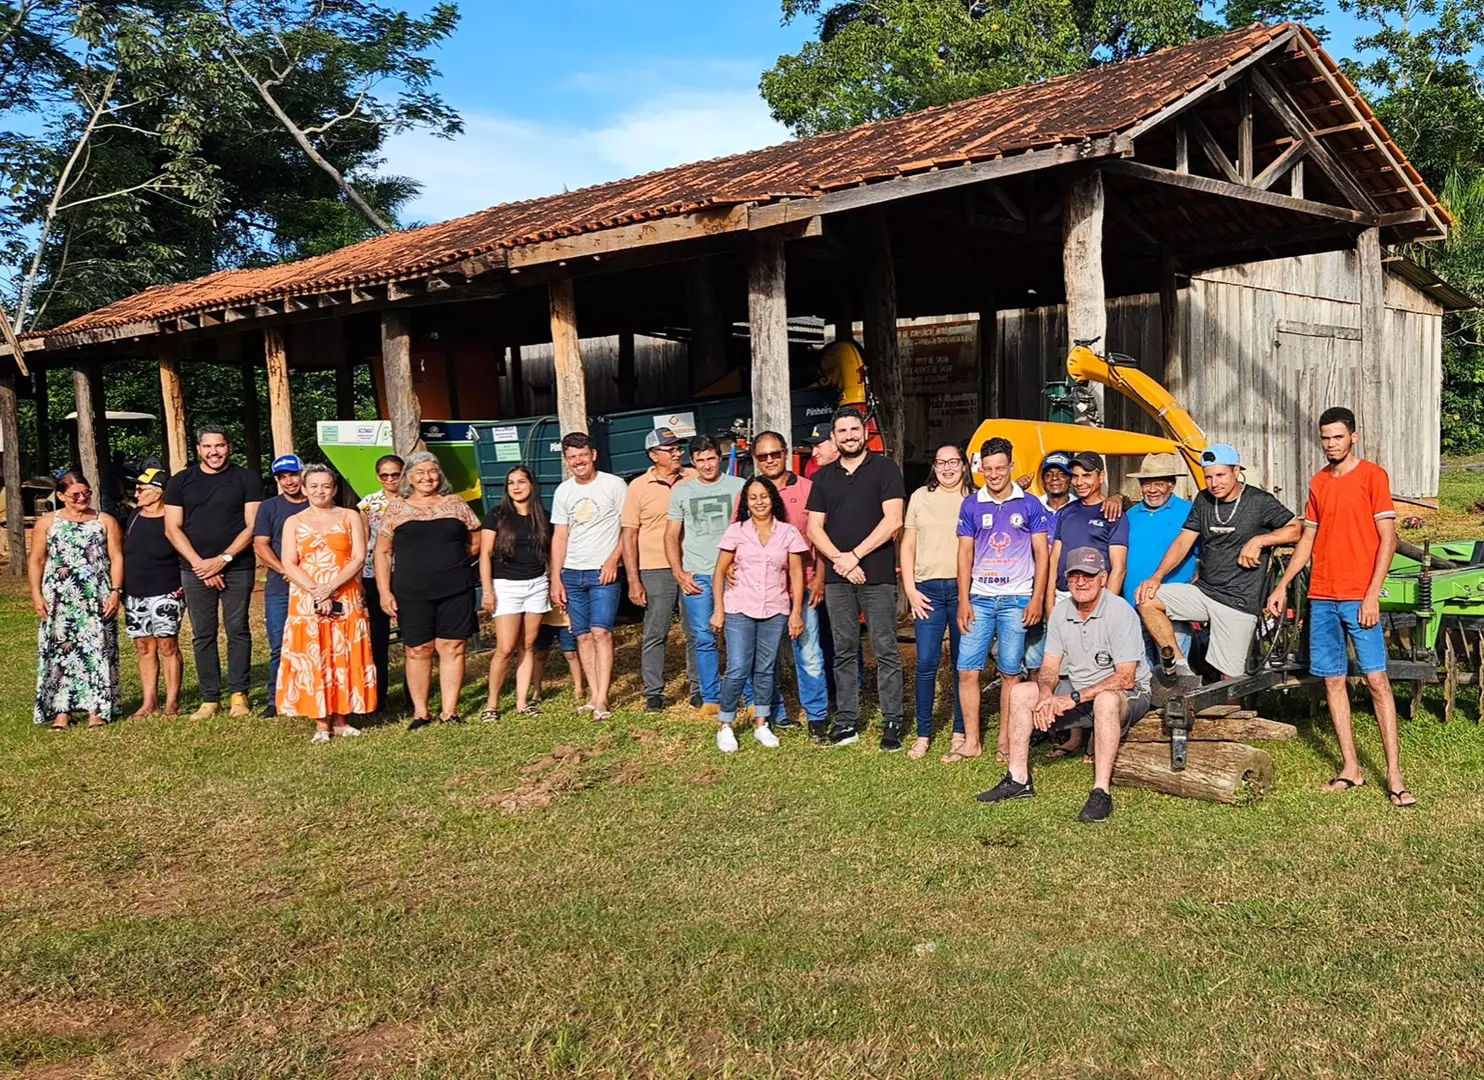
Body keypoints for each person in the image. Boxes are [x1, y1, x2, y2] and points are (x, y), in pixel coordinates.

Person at [1266, 407, 1414, 806]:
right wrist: (1282, 585)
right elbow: (1308, 540)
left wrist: (1371, 594)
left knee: (1377, 681)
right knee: (1332, 680)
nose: (1331, 444)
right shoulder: (1318, 483)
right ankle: (1351, 768)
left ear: (1354, 436)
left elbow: (1387, 539)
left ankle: (1395, 775)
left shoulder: (1372, 477)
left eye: (1338, 436)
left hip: (1358, 596)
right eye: (1325, 437)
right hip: (1323, 596)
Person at [976, 547, 1152, 823]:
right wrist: (1046, 695)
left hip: (1124, 693)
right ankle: (1018, 778)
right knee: (1023, 692)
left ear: (1103, 578)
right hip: (1078, 688)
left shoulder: (1121, 612)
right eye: (1075, 576)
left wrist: (1073, 697)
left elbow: (1125, 677)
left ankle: (1101, 791)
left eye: (1089, 575)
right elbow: (1049, 668)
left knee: (1106, 699)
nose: (1081, 582)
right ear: (1067, 579)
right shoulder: (1060, 611)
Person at [1137, 445, 1301, 681]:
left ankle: (1231, 714)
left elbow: (1297, 529)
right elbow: (1184, 541)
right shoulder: (1204, 500)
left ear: (1236, 470)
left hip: (1238, 601)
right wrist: (1157, 576)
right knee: (1147, 598)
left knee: (1229, 681)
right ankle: (1181, 668)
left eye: (1220, 475)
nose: (1214, 483)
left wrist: (1261, 540)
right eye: (1209, 477)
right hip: (1205, 592)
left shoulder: (1259, 501)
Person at [806, 406, 907, 749]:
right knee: (845, 649)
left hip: (876, 574)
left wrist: (855, 556)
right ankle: (847, 720)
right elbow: (813, 528)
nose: (849, 436)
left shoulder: (884, 469)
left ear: (864, 433)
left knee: (885, 648)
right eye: (842, 431)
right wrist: (840, 560)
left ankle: (892, 719)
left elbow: (893, 520)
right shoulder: (823, 478)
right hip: (838, 579)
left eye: (854, 429)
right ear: (834, 438)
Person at [954, 437, 1050, 764]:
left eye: (1000, 468)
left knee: (1011, 673)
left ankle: (1005, 742)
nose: (994, 475)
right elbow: (964, 554)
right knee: (967, 671)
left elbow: (1042, 554)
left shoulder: (1031, 504)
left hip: (1017, 599)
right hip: (979, 598)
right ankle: (971, 741)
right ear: (980, 469)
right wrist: (963, 600)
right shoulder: (971, 504)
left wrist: (1036, 598)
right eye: (988, 469)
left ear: (1011, 466)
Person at [374, 451, 481, 728]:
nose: (427, 477)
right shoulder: (397, 508)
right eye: (419, 472)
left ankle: (450, 711)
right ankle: (421, 712)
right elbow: (383, 552)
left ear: (440, 474)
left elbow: (476, 539)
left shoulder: (455, 503)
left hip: (455, 588)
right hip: (411, 591)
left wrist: (453, 561)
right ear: (409, 477)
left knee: (453, 646)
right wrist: (385, 592)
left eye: (432, 471)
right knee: (417, 649)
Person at [164, 426, 263, 720]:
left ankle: (238, 694)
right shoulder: (180, 481)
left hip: (237, 566)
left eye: (219, 446)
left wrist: (223, 559)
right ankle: (209, 698)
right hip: (194, 568)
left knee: (237, 630)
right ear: (198, 449)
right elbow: (172, 528)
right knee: (202, 634)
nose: (214, 452)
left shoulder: (247, 478)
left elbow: (253, 525)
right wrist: (200, 565)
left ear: (229, 447)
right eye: (208, 447)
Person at [276, 464, 377, 741]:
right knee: (312, 653)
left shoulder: (350, 516)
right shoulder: (293, 522)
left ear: (334, 489)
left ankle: (343, 718)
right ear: (305, 489)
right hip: (306, 594)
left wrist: (331, 587)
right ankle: (321, 722)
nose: (320, 491)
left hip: (344, 591)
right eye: (314, 486)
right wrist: (315, 591)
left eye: (326, 486)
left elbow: (358, 556)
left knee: (343, 652)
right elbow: (288, 562)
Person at [709, 476, 808, 752]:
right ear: (746, 502)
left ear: (772, 498)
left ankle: (761, 722)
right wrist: (718, 609)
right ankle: (726, 724)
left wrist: (796, 611)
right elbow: (719, 571)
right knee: (739, 667)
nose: (759, 502)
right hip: (740, 606)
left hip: (775, 608)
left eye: (763, 496)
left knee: (766, 668)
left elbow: (797, 574)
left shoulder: (788, 533)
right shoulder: (737, 531)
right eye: (753, 497)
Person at [749, 430, 829, 734]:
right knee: (764, 655)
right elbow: (737, 535)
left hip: (803, 586)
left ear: (786, 454)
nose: (770, 460)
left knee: (809, 654)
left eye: (775, 454)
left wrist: (820, 577)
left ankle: (817, 716)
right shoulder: (752, 493)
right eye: (763, 456)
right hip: (762, 590)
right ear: (756, 460)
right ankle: (774, 713)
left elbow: (821, 538)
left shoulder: (809, 489)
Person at [29, 470, 123, 729]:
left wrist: (116, 591)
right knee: (60, 652)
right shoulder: (48, 522)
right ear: (60, 496)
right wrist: (37, 595)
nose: (82, 498)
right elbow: (36, 560)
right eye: (75, 495)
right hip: (59, 599)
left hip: (95, 597)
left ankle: (97, 708)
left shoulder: (105, 520)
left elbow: (116, 557)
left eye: (86, 493)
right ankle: (62, 710)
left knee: (97, 650)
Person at [549, 432, 629, 721]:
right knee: (582, 637)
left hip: (602, 571)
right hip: (571, 572)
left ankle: (603, 697)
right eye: (572, 457)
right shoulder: (563, 491)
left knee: (601, 632)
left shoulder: (614, 485)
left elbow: (629, 528)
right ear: (567, 461)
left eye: (582, 455)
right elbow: (559, 537)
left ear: (593, 455)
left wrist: (613, 559)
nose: (578, 461)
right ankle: (594, 695)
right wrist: (556, 578)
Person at [901, 443, 973, 759]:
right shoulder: (920, 497)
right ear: (934, 465)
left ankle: (960, 730)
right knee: (927, 663)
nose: (946, 468)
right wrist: (910, 590)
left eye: (953, 462)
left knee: (963, 664)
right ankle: (923, 733)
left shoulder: (974, 497)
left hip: (962, 591)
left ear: (963, 464)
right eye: (940, 462)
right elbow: (907, 545)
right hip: (926, 591)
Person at [667, 435, 746, 720]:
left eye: (711, 458)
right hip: (697, 575)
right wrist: (679, 572)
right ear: (693, 462)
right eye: (699, 460)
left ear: (719, 458)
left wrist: (742, 562)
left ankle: (748, 697)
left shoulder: (739, 487)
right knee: (703, 637)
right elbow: (672, 535)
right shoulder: (682, 492)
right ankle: (711, 697)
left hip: (733, 574)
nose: (706, 465)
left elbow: (750, 528)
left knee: (739, 637)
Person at [621, 427, 698, 711]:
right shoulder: (638, 487)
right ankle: (654, 691)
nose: (678, 453)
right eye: (671, 449)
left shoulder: (693, 477)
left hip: (691, 563)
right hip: (655, 568)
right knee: (656, 630)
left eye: (679, 448)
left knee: (695, 630)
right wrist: (633, 579)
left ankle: (698, 687)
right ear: (654, 455)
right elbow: (628, 535)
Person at [479, 466, 552, 721]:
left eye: (521, 482)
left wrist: (554, 583)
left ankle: (523, 703)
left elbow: (550, 555)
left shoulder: (543, 516)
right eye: (511, 483)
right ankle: (492, 704)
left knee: (528, 645)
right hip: (506, 586)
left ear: (532, 485)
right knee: (505, 647)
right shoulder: (496, 515)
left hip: (537, 585)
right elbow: (485, 554)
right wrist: (487, 591)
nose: (516, 487)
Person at [1121, 453, 1197, 668]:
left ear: (1171, 485)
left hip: (1170, 610)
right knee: (1141, 674)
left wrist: (1192, 587)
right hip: (1132, 608)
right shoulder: (1131, 515)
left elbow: (1206, 558)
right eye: (1146, 483)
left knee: (1173, 671)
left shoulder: (1189, 512)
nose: (1151, 489)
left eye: (1159, 483)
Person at [122, 467, 184, 718]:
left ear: (158, 493)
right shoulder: (134, 515)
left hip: (166, 589)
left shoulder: (173, 516)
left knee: (167, 645)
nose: (136, 493)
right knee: (144, 647)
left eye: (141, 489)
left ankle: (172, 702)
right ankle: (150, 701)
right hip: (135, 591)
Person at [252, 454, 310, 716]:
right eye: (282, 477)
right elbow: (261, 544)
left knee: (313, 643)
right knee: (280, 644)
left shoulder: (317, 503)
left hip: (315, 586)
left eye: (293, 474)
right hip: (280, 587)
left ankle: (311, 694)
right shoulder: (269, 507)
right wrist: (285, 570)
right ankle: (276, 699)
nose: (289, 481)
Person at [358, 454, 403, 712]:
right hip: (374, 573)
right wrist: (359, 580)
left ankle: (414, 694)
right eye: (384, 475)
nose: (390, 480)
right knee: (378, 637)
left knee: (414, 637)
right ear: (377, 476)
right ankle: (379, 696)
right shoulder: (367, 505)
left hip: (407, 572)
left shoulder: (413, 500)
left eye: (395, 474)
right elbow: (362, 543)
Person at [532, 610, 584, 706]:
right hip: (542, 620)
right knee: (541, 654)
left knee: (571, 654)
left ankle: (579, 688)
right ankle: (537, 690)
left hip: (565, 621)